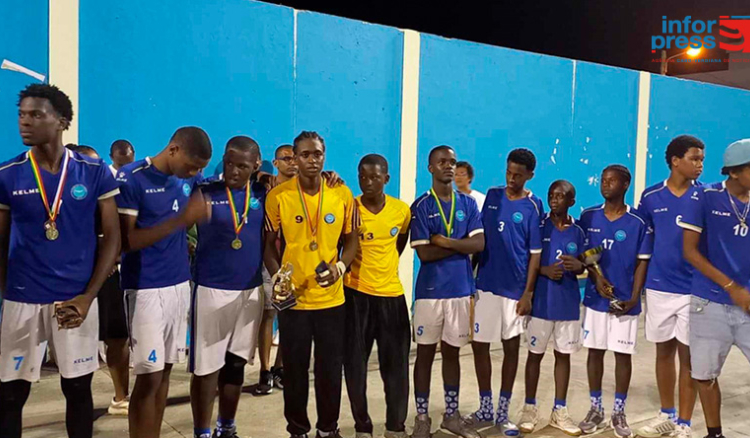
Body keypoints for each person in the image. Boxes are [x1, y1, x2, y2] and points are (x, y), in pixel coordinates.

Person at [0, 84, 120, 438]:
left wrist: (88, 296)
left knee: (78, 389)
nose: (25, 122)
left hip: (75, 299)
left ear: (62, 121)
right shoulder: (7, 175)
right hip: (23, 298)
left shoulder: (94, 171)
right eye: (22, 114)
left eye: (36, 114)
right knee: (11, 393)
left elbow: (112, 238)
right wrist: (9, 295)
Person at [116, 127, 212, 438]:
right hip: (145, 289)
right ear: (173, 150)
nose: (195, 173)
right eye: (192, 165)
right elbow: (126, 241)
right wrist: (180, 222)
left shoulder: (189, 178)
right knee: (148, 377)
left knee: (166, 371)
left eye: (200, 169)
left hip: (179, 286)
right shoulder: (132, 178)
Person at [264, 131, 359, 438]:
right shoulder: (278, 196)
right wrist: (279, 277)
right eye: (304, 154)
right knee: (294, 371)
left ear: (324, 156)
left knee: (330, 370)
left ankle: (328, 429)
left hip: (332, 299)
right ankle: (298, 430)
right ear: (294, 158)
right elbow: (267, 246)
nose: (311, 160)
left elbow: (352, 241)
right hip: (295, 300)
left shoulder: (341, 193)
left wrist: (340, 267)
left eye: (317, 154)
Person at [189, 136, 266, 438]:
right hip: (210, 288)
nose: (233, 170)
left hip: (250, 290)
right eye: (230, 163)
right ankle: (201, 431)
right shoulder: (205, 192)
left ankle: (227, 427)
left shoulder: (263, 192)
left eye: (242, 166)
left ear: (256, 165)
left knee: (235, 365)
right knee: (206, 369)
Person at [467, 148, 543, 437]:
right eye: (509, 173)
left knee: (510, 347)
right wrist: (469, 281)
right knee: (479, 344)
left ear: (529, 176)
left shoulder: (533, 206)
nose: (512, 179)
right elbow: (480, 240)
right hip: (486, 284)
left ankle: (502, 410)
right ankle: (485, 405)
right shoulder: (493, 197)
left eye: (518, 175)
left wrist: (528, 293)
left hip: (515, 290)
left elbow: (535, 254)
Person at [410, 145, 484, 438]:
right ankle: (422, 417)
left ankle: (451, 416)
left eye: (452, 162)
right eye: (442, 162)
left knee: (452, 354)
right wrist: (459, 244)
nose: (449, 166)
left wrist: (444, 241)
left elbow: (478, 245)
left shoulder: (468, 204)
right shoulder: (421, 206)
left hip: (460, 290)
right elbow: (424, 255)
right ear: (430, 168)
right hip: (429, 293)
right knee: (425, 355)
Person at [679, 139, 750, 438]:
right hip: (709, 303)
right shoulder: (705, 197)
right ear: (734, 172)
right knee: (704, 375)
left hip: (748, 302)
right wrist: (731, 286)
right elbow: (690, 252)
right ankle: (714, 433)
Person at [635, 135, 704, 438]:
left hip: (694, 289)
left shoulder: (706, 197)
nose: (700, 165)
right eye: (694, 158)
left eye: (702, 159)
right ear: (676, 161)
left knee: (689, 357)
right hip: (659, 287)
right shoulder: (650, 198)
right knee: (663, 353)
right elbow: (643, 244)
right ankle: (667, 414)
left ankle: (685, 425)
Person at [577, 165, 652, 438]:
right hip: (596, 301)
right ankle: (595, 408)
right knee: (595, 352)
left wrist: (634, 296)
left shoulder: (638, 222)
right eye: (603, 179)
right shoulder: (588, 217)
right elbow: (586, 253)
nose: (605, 184)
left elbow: (642, 263)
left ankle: (619, 412)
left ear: (625, 184)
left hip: (625, 302)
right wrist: (596, 277)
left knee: (623, 355)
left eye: (611, 180)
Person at [343, 154, 411, 438]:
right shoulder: (350, 209)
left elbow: (400, 243)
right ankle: (362, 426)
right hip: (355, 297)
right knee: (355, 368)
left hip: (391, 298)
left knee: (396, 368)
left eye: (374, 176)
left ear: (386, 179)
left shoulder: (401, 210)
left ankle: (395, 427)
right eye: (362, 176)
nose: (368, 182)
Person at [518, 180, 585, 435]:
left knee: (563, 356)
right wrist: (544, 270)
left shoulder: (578, 231)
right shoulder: (539, 226)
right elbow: (525, 259)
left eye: (560, 196)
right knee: (534, 355)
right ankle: (530, 407)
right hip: (542, 304)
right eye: (551, 195)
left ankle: (560, 410)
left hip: (567, 304)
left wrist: (579, 267)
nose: (554, 200)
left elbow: (588, 260)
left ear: (571, 201)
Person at [255, 144, 295, 395]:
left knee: (289, 317)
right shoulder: (264, 186)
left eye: (294, 158)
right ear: (276, 162)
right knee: (268, 315)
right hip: (269, 260)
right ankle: (265, 369)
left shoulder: (304, 188)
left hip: (294, 263)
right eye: (286, 159)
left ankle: (281, 368)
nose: (292, 163)